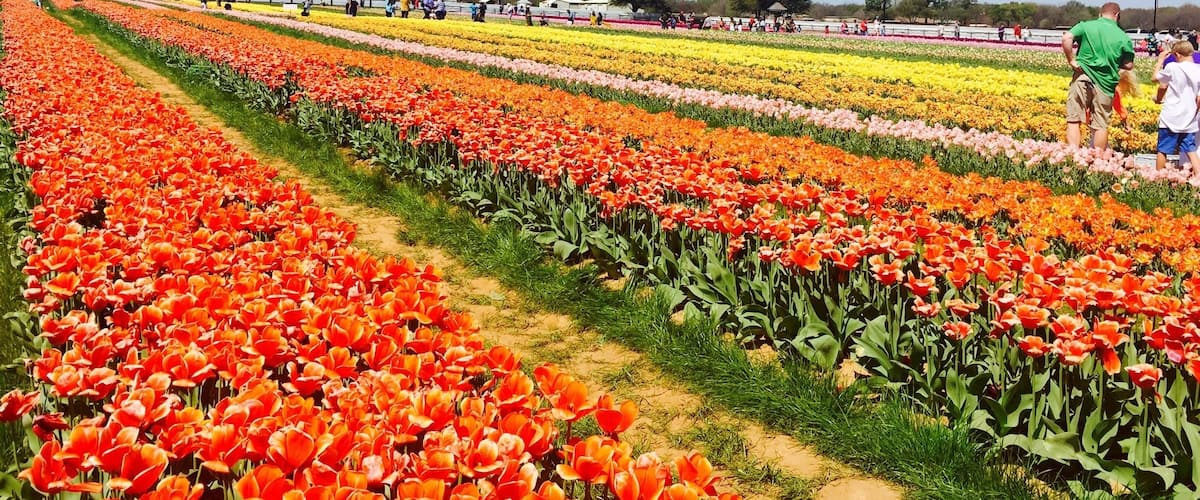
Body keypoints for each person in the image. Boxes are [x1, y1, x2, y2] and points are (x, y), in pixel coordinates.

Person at [1062, 2, 1135, 150]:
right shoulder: (1123, 36)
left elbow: (1066, 38)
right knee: (1100, 124)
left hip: (1082, 76)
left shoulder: (1085, 26)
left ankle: (1073, 155)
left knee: (1074, 119)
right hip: (1105, 84)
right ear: (1117, 15)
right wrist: (1112, 60)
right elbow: (1129, 65)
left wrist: (1071, 60)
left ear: (1100, 14)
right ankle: (1098, 162)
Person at [1152, 41, 1200, 173]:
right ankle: (1198, 178)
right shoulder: (1198, 69)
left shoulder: (1173, 67)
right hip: (1189, 117)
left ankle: (1159, 180)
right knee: (1191, 150)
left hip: (1171, 116)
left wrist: (1160, 60)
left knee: (1163, 150)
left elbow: (1155, 78)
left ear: (1177, 54)